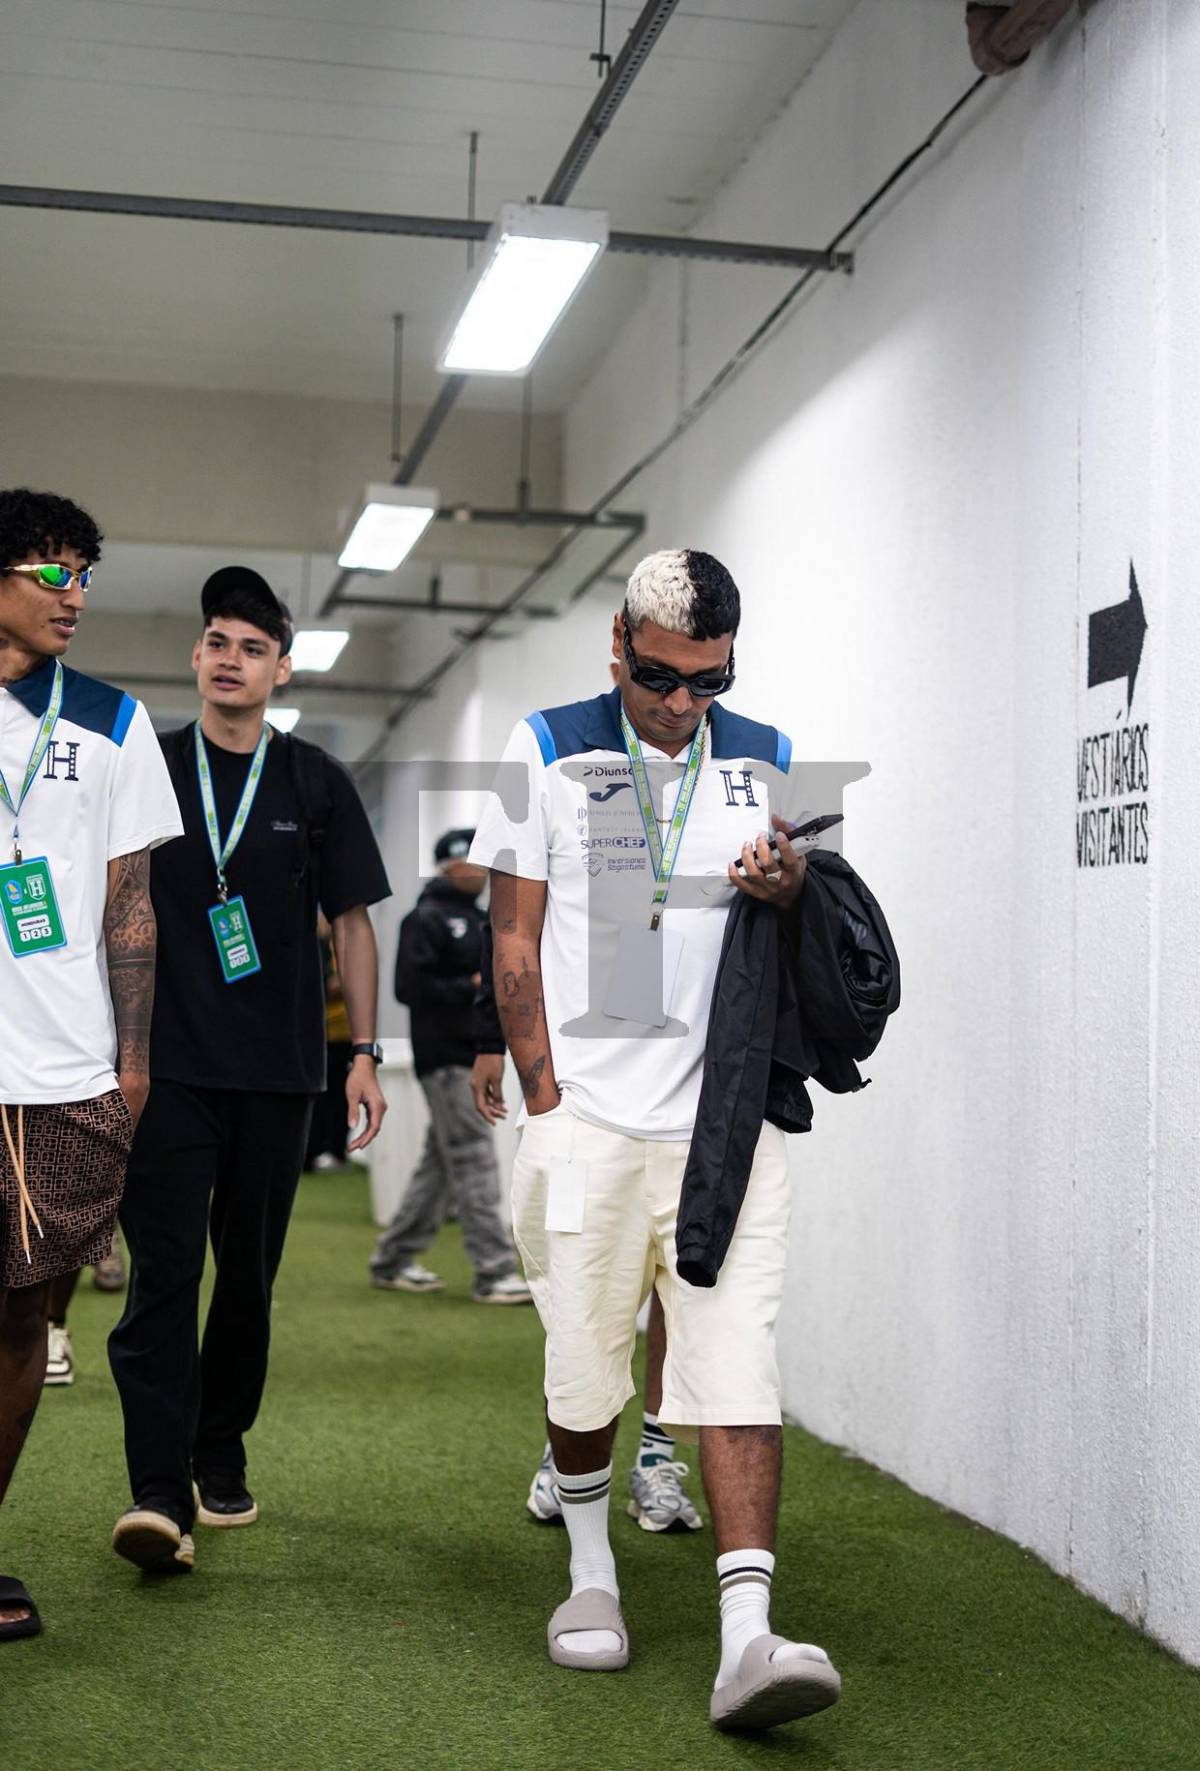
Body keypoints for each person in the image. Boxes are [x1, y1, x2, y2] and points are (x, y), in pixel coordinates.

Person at [471, 549, 842, 1730]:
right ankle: (592, 1571)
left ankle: (748, 1635)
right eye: (661, 678)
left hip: (724, 1128)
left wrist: (789, 884)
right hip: (583, 1118)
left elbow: (819, 920)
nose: (684, 703)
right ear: (618, 646)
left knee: (736, 1362)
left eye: (709, 682)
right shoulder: (544, 746)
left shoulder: (767, 755)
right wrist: (544, 1100)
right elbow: (513, 938)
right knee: (584, 1362)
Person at [108, 566, 390, 1574]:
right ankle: (158, 1491)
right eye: (219, 642)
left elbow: (352, 925)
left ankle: (217, 1450)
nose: (232, 661)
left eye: (254, 648)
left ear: (281, 670)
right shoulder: (146, 768)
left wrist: (364, 1052)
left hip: (280, 1073)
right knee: (164, 1274)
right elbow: (114, 903)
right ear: (196, 656)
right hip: (165, 1070)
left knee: (247, 1281)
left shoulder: (316, 781)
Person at [0, 488, 182, 1640]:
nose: (75, 596)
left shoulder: (113, 721)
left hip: (64, 1071)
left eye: (86, 575)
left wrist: (133, 1061)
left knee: (23, 1316)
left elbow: (132, 901)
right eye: (53, 572)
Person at [472, 876, 702, 1531]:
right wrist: (502, 1055)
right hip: (587, 1105)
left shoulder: (707, 828)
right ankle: (569, 1446)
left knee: (680, 1287)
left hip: (689, 1098)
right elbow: (513, 929)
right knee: (582, 1290)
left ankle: (655, 1458)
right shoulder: (572, 821)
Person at [369, 830, 531, 1305]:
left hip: (476, 1054)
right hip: (445, 1058)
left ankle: (392, 1260)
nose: (481, 870)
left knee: (441, 1164)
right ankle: (494, 1272)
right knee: (474, 1156)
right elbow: (408, 988)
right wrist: (472, 984)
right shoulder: (424, 918)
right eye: (471, 861)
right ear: (448, 865)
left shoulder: (483, 918)